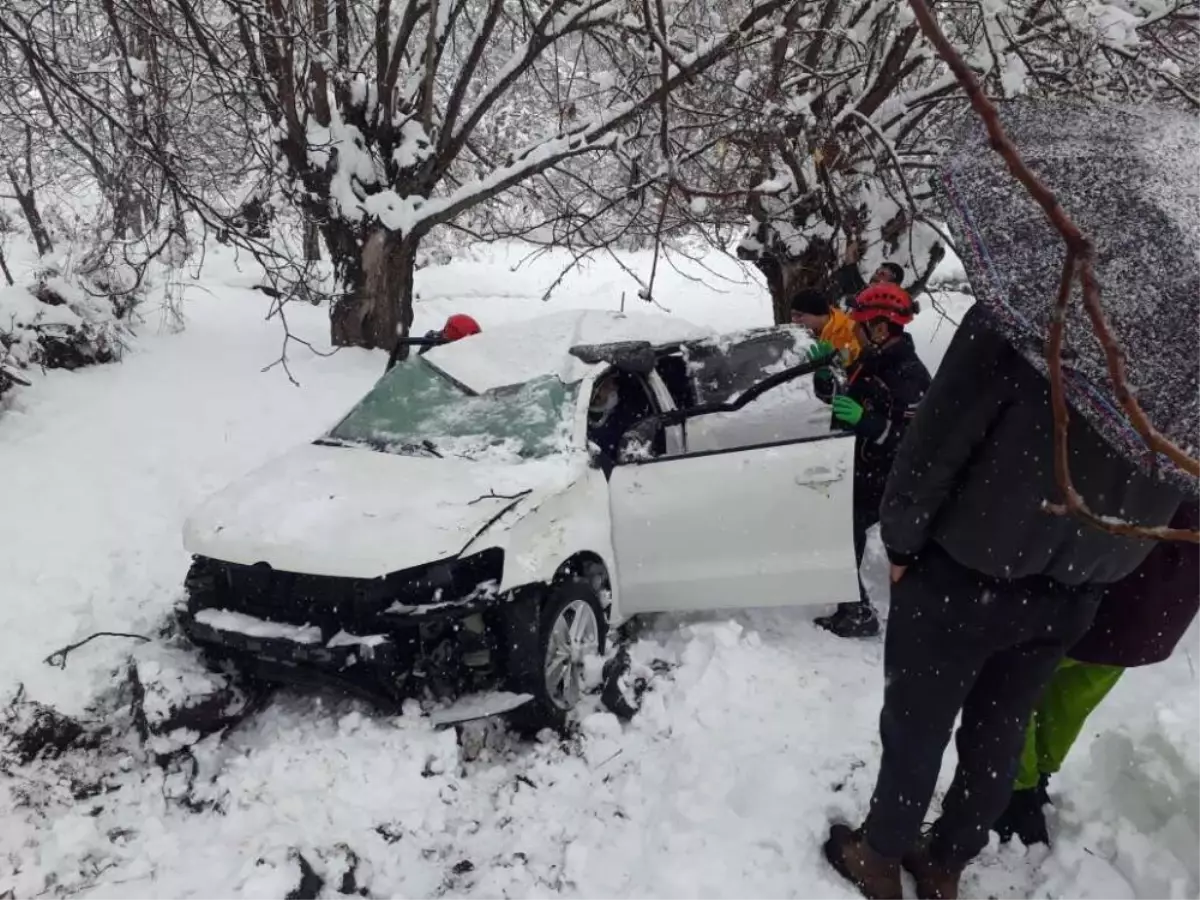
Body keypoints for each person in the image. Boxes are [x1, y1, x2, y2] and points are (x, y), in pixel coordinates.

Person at [823, 305, 1183, 900]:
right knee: (1001, 727)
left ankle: (882, 853)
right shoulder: (1184, 365)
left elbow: (938, 434)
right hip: (1076, 587)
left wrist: (903, 537)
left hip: (967, 570)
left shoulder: (1029, 310)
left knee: (918, 724)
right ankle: (947, 861)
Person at [994, 500, 1200, 846]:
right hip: (1155, 610)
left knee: (1011, 681)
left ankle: (1016, 790)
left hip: (1101, 586)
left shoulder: (1153, 450)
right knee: (1073, 695)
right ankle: (1036, 777)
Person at [812, 283, 930, 639]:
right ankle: (854, 606)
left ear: (879, 328)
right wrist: (823, 375)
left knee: (843, 532)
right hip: (857, 466)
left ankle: (858, 612)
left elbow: (917, 443)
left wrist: (869, 424)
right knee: (842, 532)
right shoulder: (870, 359)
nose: (853, 330)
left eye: (858, 324)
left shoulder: (911, 377)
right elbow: (843, 399)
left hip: (884, 478)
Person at [790, 288, 861, 368]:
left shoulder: (849, 333)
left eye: (799, 315)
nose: (794, 321)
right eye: (792, 316)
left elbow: (844, 363)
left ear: (819, 314)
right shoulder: (802, 337)